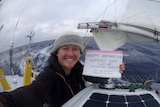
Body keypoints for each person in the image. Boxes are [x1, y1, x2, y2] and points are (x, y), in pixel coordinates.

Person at [0, 31, 125, 107]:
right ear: (57, 53)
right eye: (65, 48)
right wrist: (6, 102)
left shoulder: (79, 69)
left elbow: (93, 76)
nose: (70, 54)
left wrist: (113, 69)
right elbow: (34, 92)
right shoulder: (48, 76)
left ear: (80, 53)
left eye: (75, 49)